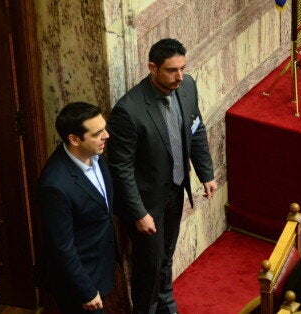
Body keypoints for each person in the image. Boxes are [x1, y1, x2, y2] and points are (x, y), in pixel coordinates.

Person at [107, 38, 218, 314]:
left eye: (182, 68)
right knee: (149, 265)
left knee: (166, 256)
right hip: (147, 204)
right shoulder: (128, 110)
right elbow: (121, 168)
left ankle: (166, 304)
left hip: (176, 190)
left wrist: (206, 174)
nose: (180, 76)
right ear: (152, 68)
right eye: (172, 70)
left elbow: (196, 129)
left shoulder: (188, 86)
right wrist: (138, 212)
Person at [38, 102, 116, 313]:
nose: (106, 136)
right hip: (80, 283)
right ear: (74, 139)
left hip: (102, 267)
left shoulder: (97, 157)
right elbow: (62, 246)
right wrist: (86, 290)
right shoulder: (55, 185)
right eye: (97, 133)